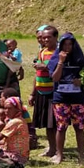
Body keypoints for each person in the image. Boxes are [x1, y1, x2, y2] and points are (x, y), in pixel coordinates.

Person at [50, 33, 84, 164]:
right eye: (64, 44)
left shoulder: (80, 59)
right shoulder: (55, 59)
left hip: (78, 99)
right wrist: (61, 62)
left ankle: (81, 156)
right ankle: (59, 155)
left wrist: (82, 81)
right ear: (60, 46)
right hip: (61, 98)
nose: (67, 47)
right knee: (61, 127)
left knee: (79, 128)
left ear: (74, 45)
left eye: (70, 44)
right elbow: (55, 78)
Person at [29, 25, 59, 156]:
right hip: (41, 91)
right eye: (43, 38)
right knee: (47, 123)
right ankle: (52, 148)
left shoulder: (59, 52)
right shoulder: (42, 51)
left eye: (48, 37)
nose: (45, 40)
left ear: (56, 37)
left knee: (55, 123)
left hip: (54, 91)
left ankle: (58, 149)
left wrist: (45, 67)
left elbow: (60, 70)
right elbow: (37, 74)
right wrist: (33, 93)